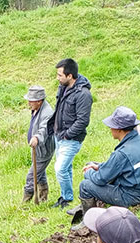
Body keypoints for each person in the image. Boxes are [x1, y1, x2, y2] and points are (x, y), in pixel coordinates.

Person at [73, 107, 140, 221]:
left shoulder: (122, 154)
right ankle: (83, 206)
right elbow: (119, 166)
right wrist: (98, 167)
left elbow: (100, 179)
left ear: (119, 129)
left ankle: (88, 221)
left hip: (131, 196)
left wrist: (88, 172)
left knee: (85, 185)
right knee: (93, 165)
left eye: (111, 126)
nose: (110, 128)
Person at [51, 58, 93, 209]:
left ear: (70, 76)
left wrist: (67, 134)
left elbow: (83, 121)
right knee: (66, 168)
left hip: (71, 138)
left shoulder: (83, 94)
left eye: (60, 75)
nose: (57, 78)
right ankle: (66, 195)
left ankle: (66, 199)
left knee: (60, 168)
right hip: (59, 135)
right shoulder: (62, 88)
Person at [22, 85, 56, 203]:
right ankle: (43, 198)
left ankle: (25, 203)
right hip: (37, 149)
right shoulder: (36, 109)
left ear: (39, 101)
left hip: (44, 151)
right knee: (40, 175)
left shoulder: (47, 113)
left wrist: (36, 137)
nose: (28, 103)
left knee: (31, 177)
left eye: (31, 101)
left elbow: (44, 129)